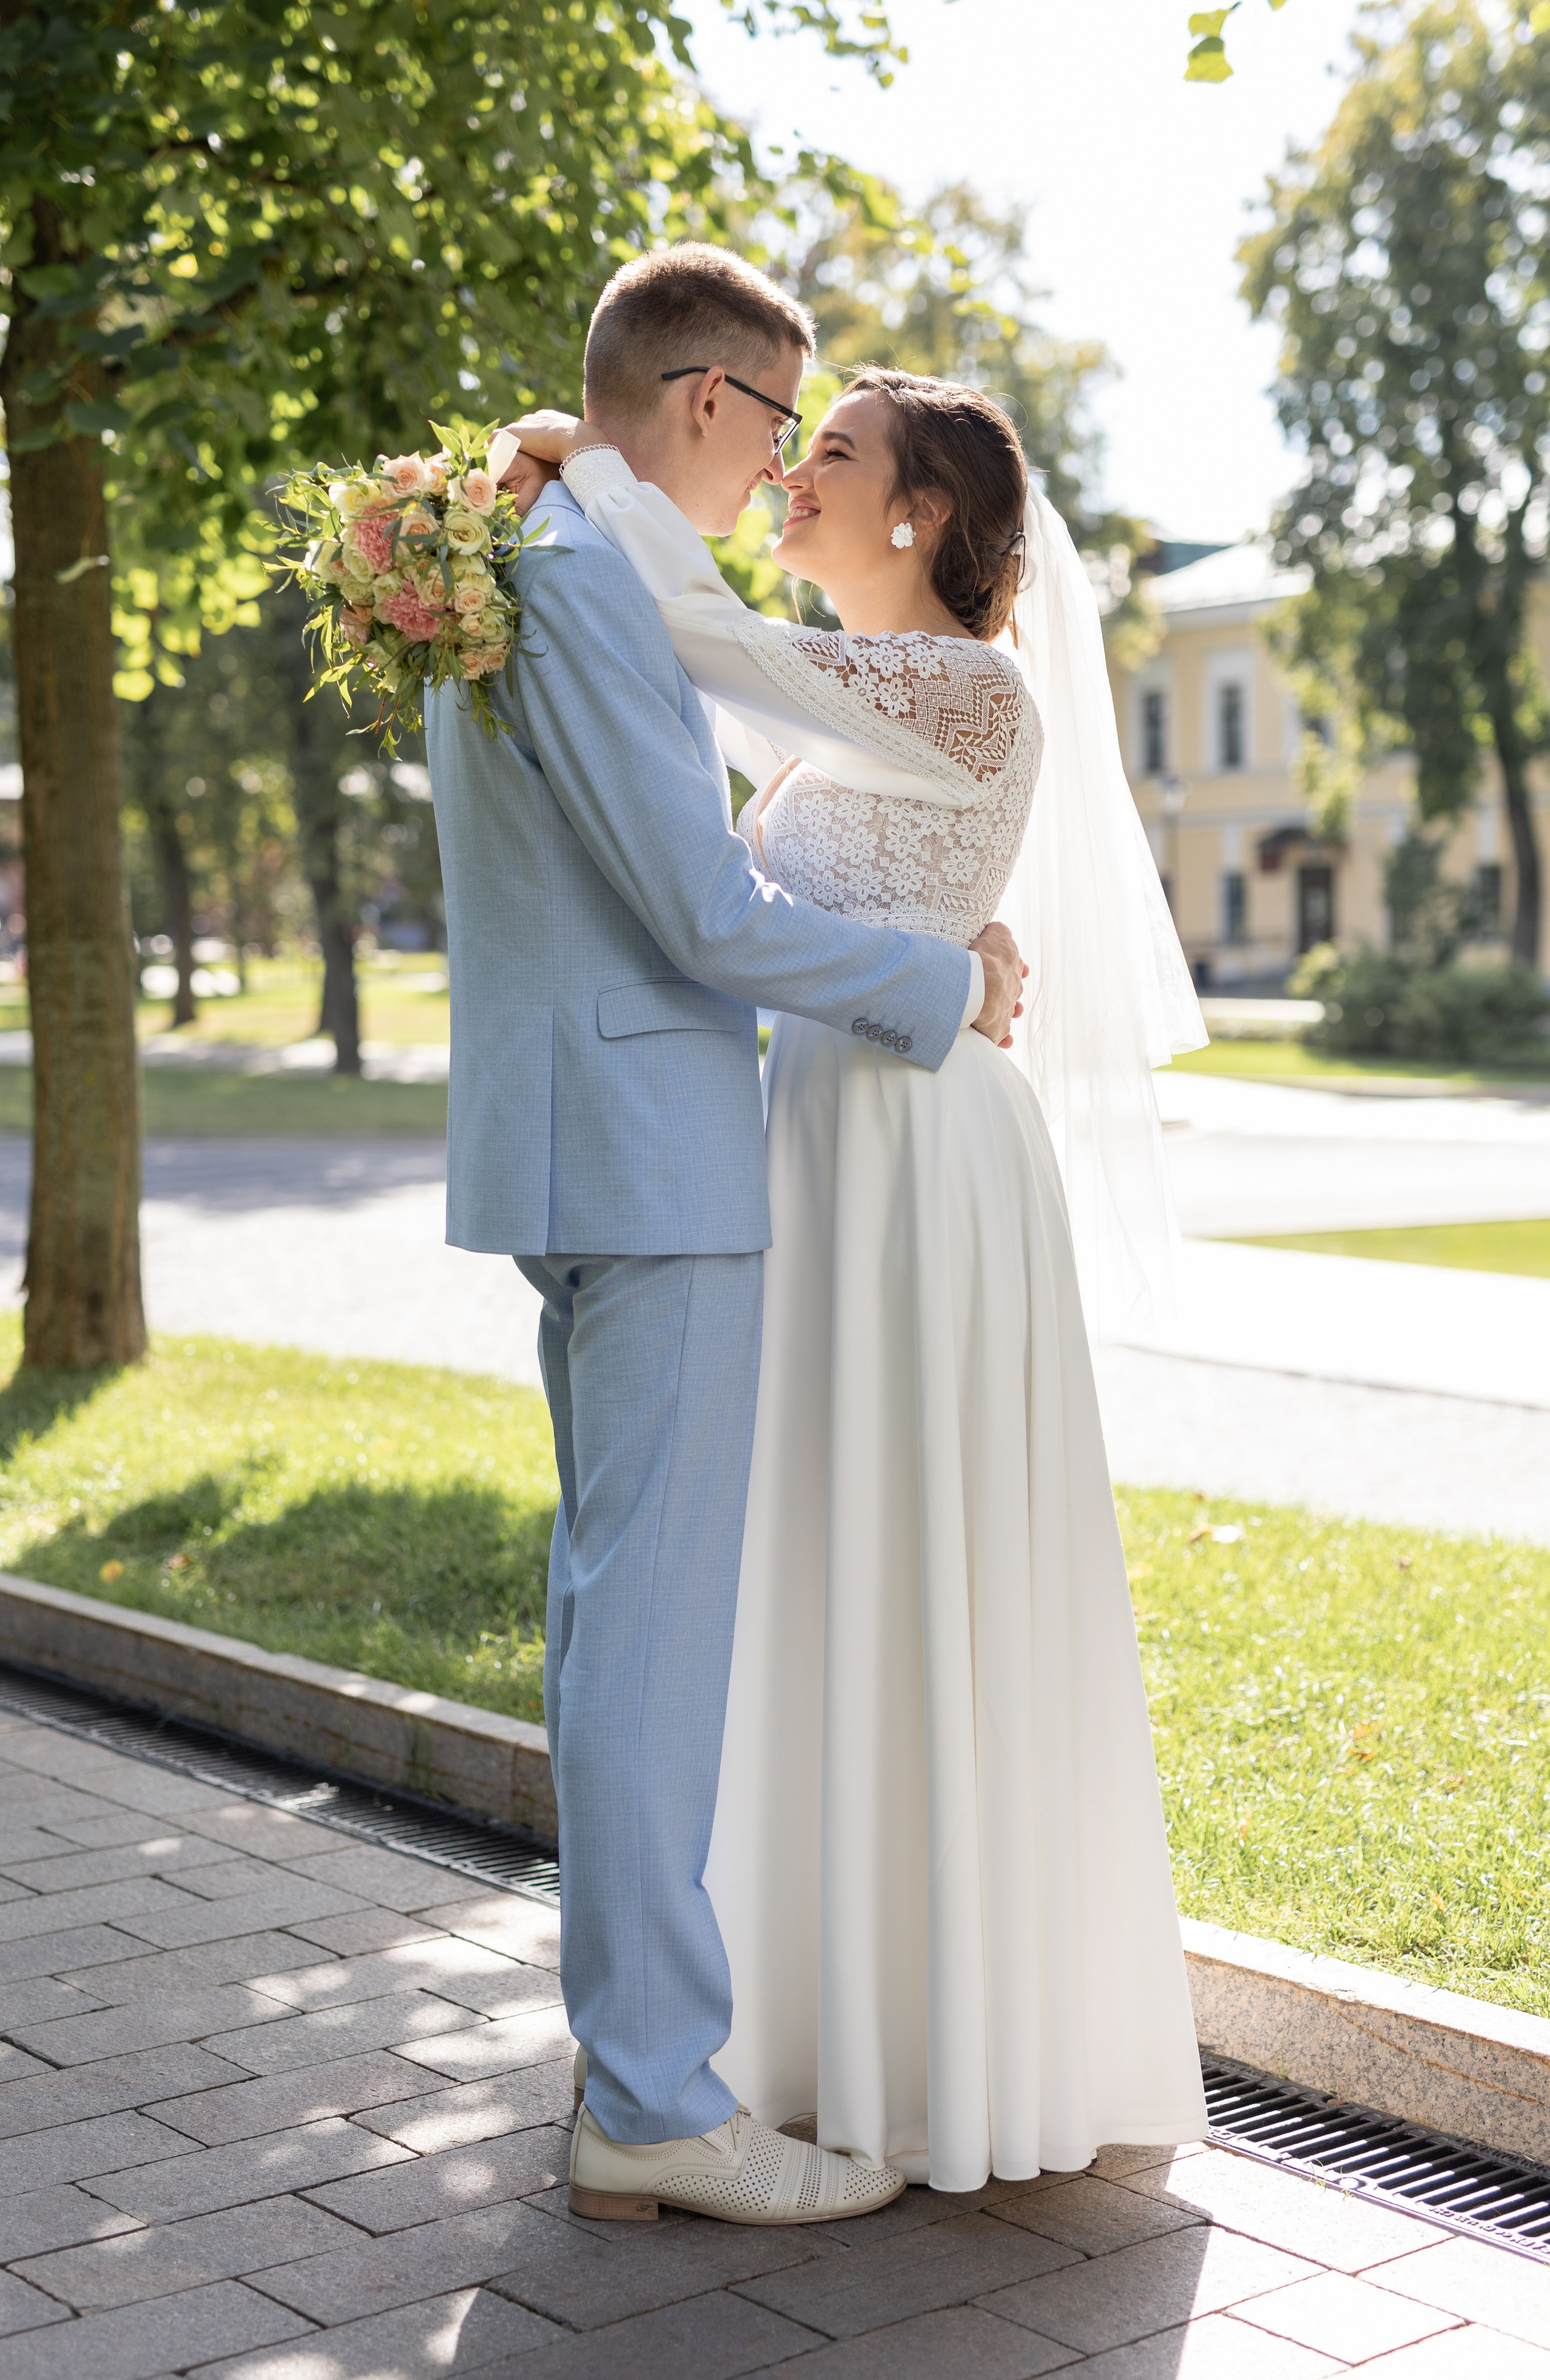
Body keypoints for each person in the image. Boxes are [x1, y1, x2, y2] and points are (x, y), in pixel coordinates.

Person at [503, 362, 1212, 2192]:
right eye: (788, 444)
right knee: (809, 1555)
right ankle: (801, 2017)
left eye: (828, 454)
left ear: (921, 513)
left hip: (919, 1156)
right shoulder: (835, 713)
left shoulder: (970, 691)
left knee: (916, 1546)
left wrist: (592, 471)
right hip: (811, 1142)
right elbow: (712, 794)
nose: (788, 478)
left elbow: (700, 643)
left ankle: (939, 2038)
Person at [424, 246, 1024, 2227]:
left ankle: (640, 2064)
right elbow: (702, 914)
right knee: (650, 1643)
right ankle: (657, 2100)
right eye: (779, 426)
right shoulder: (584, 572)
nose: (777, 471)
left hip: (580, 1140)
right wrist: (943, 985)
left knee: (612, 1618)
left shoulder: (532, 546)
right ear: (708, 401)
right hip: (655, 1160)